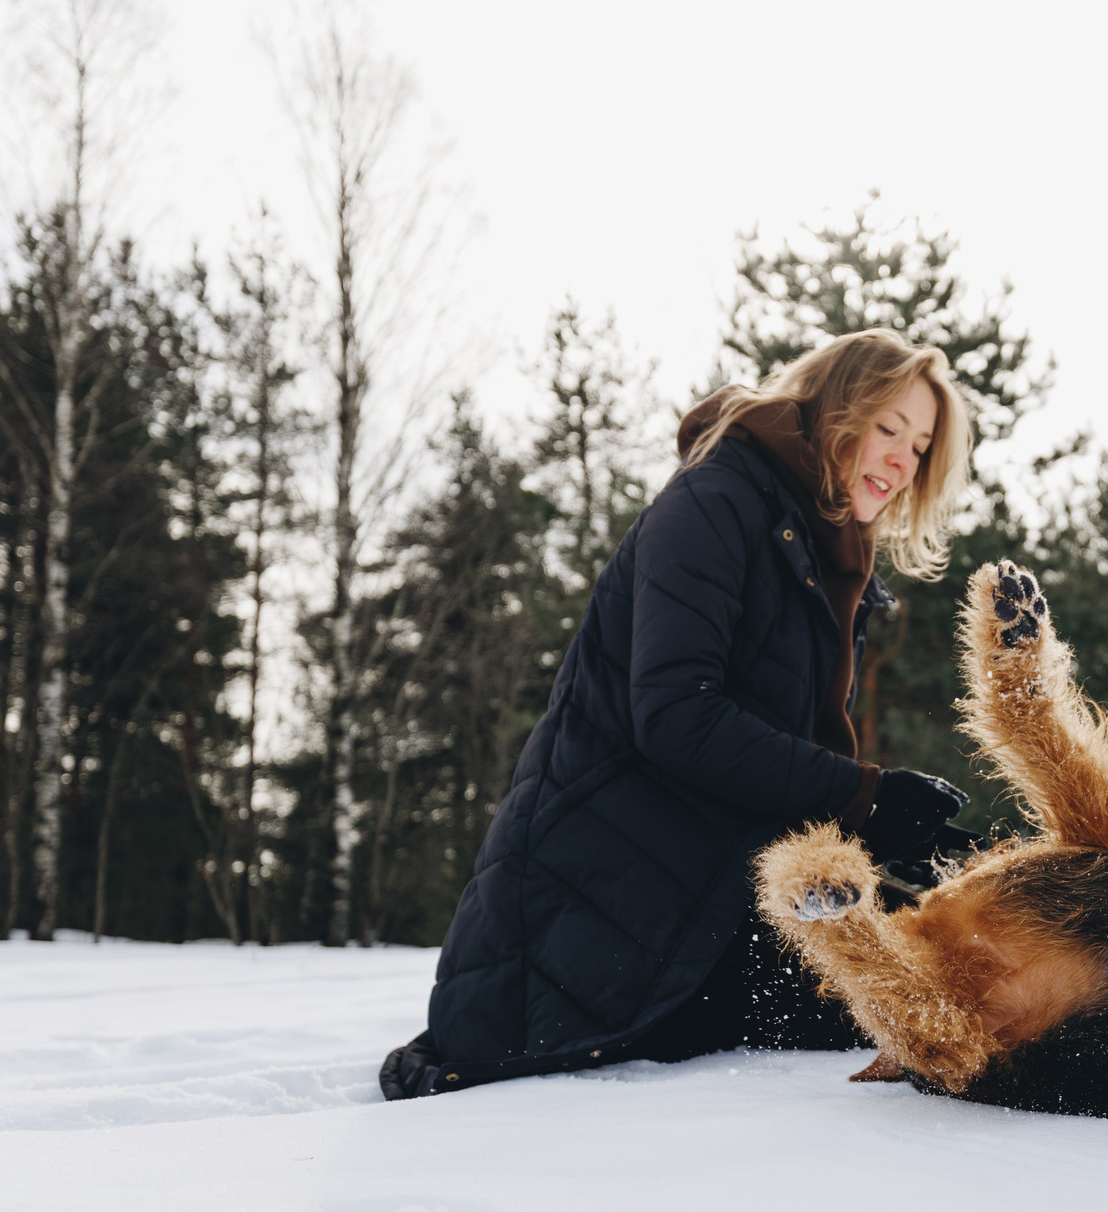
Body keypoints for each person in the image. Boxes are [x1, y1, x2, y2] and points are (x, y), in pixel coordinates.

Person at [378, 329, 979, 1098]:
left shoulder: (828, 557)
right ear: (832, 412)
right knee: (920, 997)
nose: (903, 459)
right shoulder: (716, 501)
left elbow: (772, 765)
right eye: (888, 428)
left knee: (955, 954)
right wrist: (866, 795)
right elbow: (677, 717)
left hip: (711, 891)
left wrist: (888, 831)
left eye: (922, 446)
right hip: (606, 910)